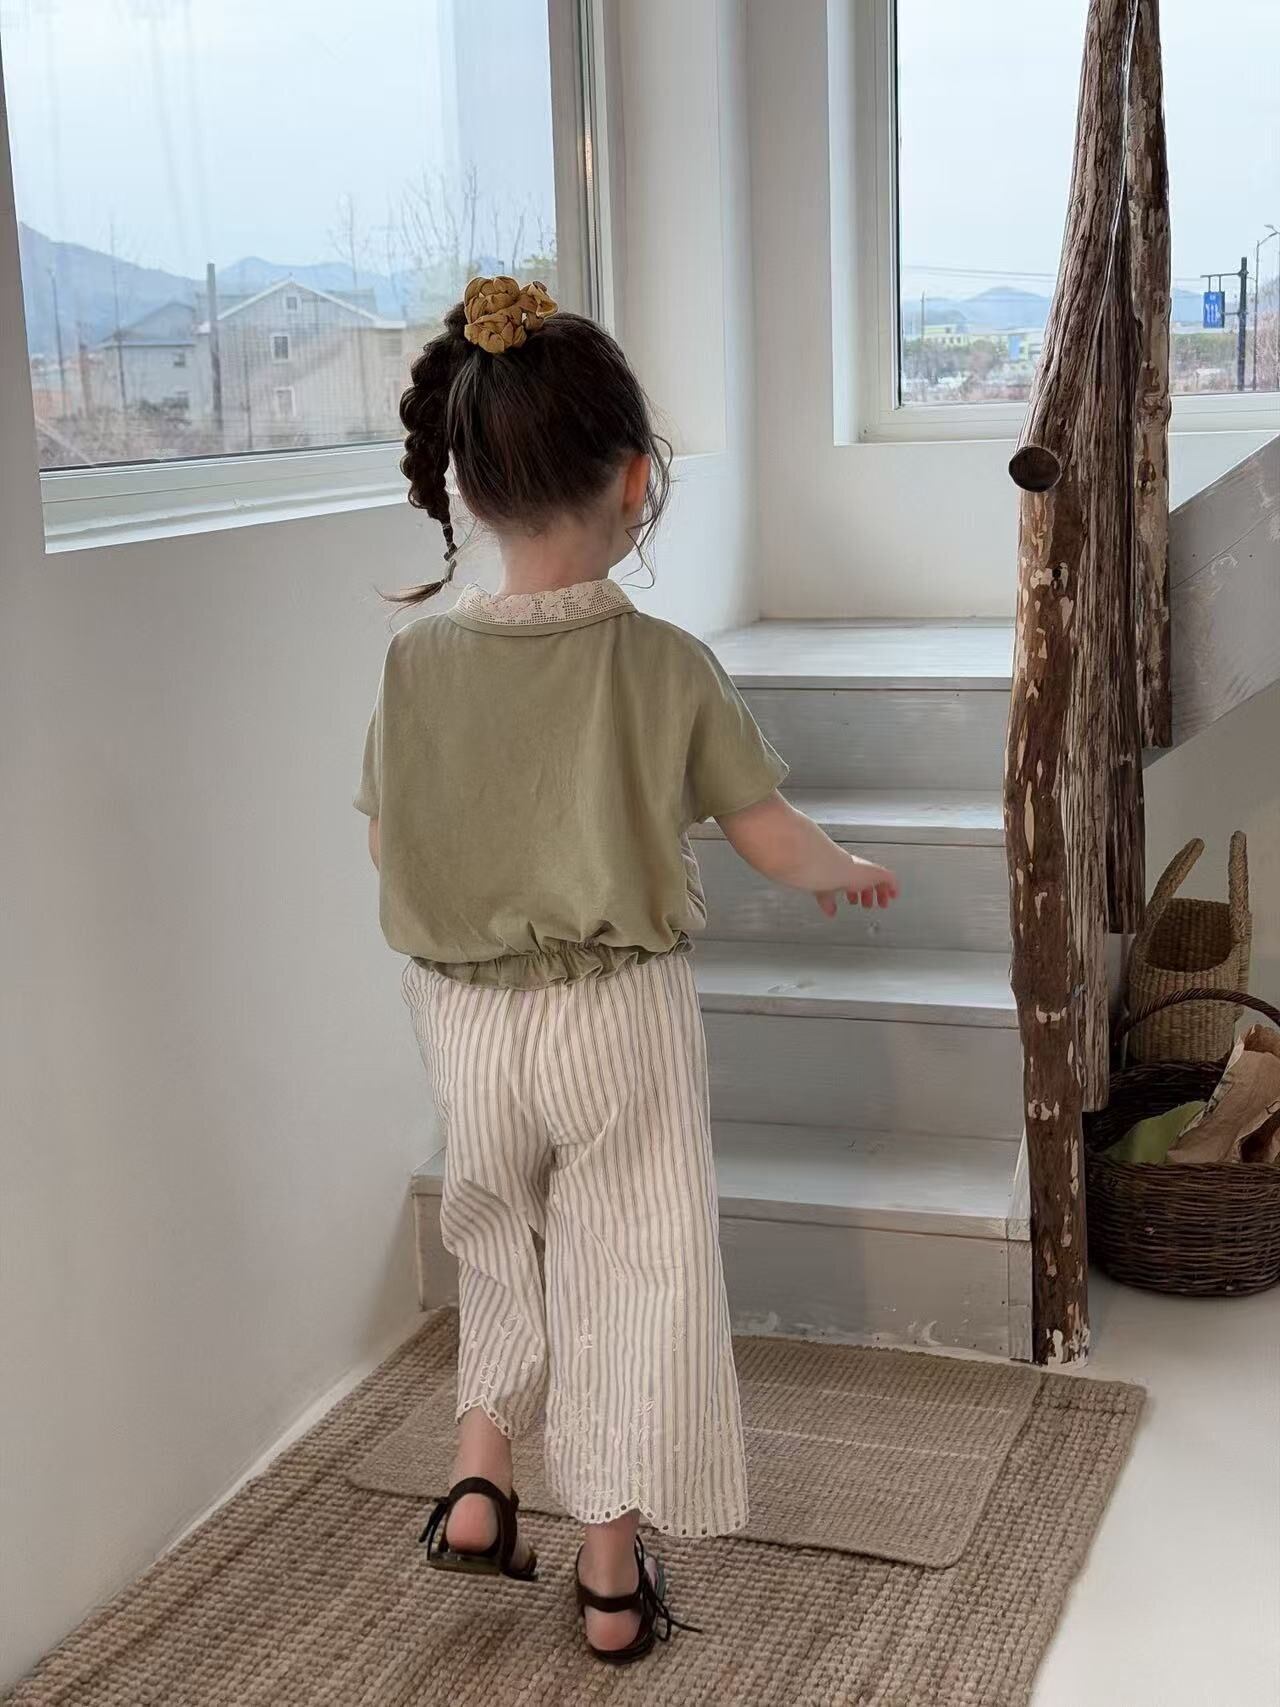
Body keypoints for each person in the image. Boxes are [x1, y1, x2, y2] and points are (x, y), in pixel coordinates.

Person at [355, 275, 898, 1665]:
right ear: (637, 479)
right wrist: (841, 869)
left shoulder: (416, 665)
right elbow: (768, 832)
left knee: (496, 1230)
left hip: (463, 1012)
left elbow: (389, 842)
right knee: (627, 1270)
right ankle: (607, 1577)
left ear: (467, 486)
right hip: (617, 1016)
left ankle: (481, 1476)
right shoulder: (664, 665)